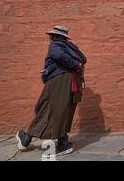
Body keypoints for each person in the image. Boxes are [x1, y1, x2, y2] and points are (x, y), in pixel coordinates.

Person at [16, 26, 87, 157]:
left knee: (45, 107)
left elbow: (59, 55)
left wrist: (73, 64)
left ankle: (30, 139)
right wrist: (76, 65)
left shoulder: (56, 45)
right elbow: (83, 59)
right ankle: (61, 140)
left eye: (51, 36)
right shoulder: (71, 47)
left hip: (60, 80)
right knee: (63, 109)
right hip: (73, 80)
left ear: (55, 36)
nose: (50, 39)